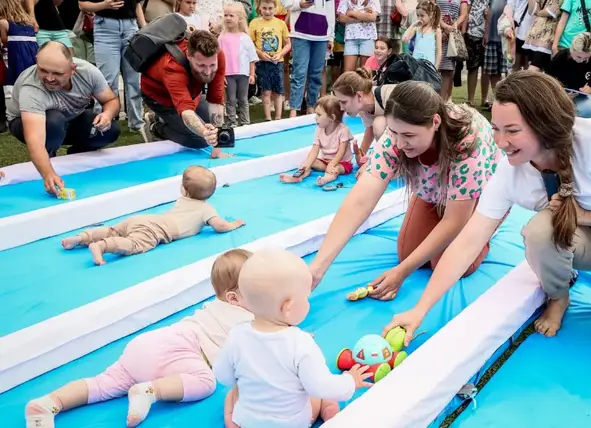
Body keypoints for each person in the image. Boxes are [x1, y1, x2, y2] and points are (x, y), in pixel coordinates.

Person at [383, 71, 591, 345]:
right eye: (496, 128)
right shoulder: (510, 172)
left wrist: (584, 215)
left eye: (512, 130)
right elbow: (467, 242)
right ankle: (558, 297)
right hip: (580, 238)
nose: (500, 142)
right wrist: (419, 310)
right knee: (539, 231)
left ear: (545, 125)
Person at [309, 81, 501, 300]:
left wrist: (401, 273)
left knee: (446, 263)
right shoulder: (397, 134)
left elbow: (454, 220)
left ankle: (486, 230)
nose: (400, 143)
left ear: (435, 122)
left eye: (409, 136)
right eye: (395, 133)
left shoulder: (467, 141)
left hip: (476, 196)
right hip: (435, 191)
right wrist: (318, 266)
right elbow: (360, 199)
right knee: (407, 253)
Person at [25, 248, 256, 428]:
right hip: (182, 347)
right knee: (206, 382)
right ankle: (151, 391)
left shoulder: (217, 305)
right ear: (234, 297)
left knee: (99, 384)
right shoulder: (247, 317)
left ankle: (49, 403)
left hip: (147, 346)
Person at [215, 249, 372, 428]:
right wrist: (350, 380)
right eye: (306, 298)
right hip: (292, 423)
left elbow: (224, 376)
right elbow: (322, 386)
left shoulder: (236, 336)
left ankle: (232, 422)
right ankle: (332, 415)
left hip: (250, 421)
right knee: (322, 396)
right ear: (288, 307)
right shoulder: (300, 343)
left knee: (232, 394)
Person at [60, 165, 246, 265]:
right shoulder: (207, 209)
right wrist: (233, 224)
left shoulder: (183, 199)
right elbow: (219, 225)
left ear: (183, 190)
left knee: (114, 230)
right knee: (135, 243)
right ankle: (101, 246)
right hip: (158, 230)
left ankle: (80, 238)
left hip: (145, 219)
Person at [6, 41, 121, 196]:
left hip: (70, 119)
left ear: (72, 69)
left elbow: (111, 100)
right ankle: (49, 157)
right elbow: (35, 140)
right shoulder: (31, 88)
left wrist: (107, 115)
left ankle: (77, 155)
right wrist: (48, 174)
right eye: (43, 70)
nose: (49, 78)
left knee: (111, 130)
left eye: (58, 73)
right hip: (29, 123)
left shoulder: (88, 72)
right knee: (53, 121)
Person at [141, 29, 231, 159]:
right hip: (159, 96)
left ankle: (157, 118)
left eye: (212, 65)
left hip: (191, 93)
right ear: (189, 55)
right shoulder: (172, 67)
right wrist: (205, 133)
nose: (207, 71)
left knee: (208, 122)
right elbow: (187, 112)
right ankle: (155, 127)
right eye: (201, 65)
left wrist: (218, 149)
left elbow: (216, 100)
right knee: (199, 140)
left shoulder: (218, 56)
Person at [79, 0, 148, 141]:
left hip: (131, 26)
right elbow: (83, 5)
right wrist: (104, 5)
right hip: (105, 27)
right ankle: (100, 122)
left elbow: (136, 4)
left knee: (134, 80)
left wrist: (145, 29)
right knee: (107, 82)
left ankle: (137, 123)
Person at [280, 95, 356, 186]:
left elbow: (341, 152)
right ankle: (298, 177)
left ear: (332, 118)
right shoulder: (319, 130)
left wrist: (332, 164)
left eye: (319, 115)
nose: (315, 117)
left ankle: (326, 179)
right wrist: (307, 163)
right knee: (311, 162)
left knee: (335, 169)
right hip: (325, 161)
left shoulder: (343, 130)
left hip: (342, 163)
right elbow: (314, 150)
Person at [331, 69, 396, 171]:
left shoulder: (389, 95)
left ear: (359, 96)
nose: (341, 108)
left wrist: (373, 162)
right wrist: (361, 155)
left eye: (343, 102)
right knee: (378, 124)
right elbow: (370, 129)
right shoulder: (363, 107)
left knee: (379, 124)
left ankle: (395, 164)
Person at [283, 0, 336, 118]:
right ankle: (294, 109)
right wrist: (299, 4)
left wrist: (331, 37)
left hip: (322, 36)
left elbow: (331, 13)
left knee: (316, 73)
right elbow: (285, 3)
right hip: (300, 34)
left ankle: (311, 106)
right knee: (299, 72)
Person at [249, 0, 291, 121]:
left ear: (275, 8)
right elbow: (250, 44)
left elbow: (288, 44)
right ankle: (268, 118)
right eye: (264, 8)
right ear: (259, 8)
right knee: (266, 91)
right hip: (262, 63)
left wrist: (280, 54)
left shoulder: (281, 23)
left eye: (270, 8)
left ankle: (278, 118)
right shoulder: (254, 23)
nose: (267, 11)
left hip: (278, 62)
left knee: (278, 92)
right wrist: (260, 53)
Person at [546, 32, 591, 118]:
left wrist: (588, 90)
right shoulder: (560, 57)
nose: (582, 60)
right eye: (579, 57)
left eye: (586, 58)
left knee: (590, 106)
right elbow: (547, 82)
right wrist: (561, 95)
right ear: (572, 49)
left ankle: (579, 124)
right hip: (558, 95)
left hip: (579, 97)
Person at [219, 2, 258, 126]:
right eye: (226, 15)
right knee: (230, 100)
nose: (228, 18)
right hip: (228, 74)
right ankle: (232, 122)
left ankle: (246, 122)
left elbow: (252, 58)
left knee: (243, 99)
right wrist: (221, 75)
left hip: (243, 73)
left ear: (239, 19)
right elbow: (218, 58)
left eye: (231, 15)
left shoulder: (245, 37)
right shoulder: (221, 38)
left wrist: (252, 74)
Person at [402, 0, 443, 69]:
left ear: (431, 15)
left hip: (429, 65)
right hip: (415, 64)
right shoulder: (417, 29)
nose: (419, 18)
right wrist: (412, 25)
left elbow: (439, 52)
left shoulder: (436, 31)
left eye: (422, 16)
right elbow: (404, 39)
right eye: (418, 15)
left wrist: (435, 68)